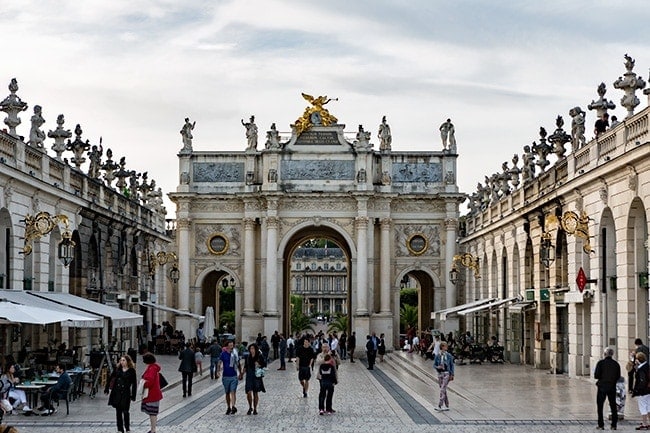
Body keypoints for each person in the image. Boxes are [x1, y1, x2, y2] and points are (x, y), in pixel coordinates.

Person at [104, 355, 137, 433]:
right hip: (117, 392)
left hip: (126, 393)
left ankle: (127, 428)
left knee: (125, 411)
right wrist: (107, 388)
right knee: (118, 411)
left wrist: (133, 395)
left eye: (124, 360)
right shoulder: (118, 370)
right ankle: (120, 429)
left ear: (127, 361)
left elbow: (134, 383)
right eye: (121, 360)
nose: (122, 362)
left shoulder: (131, 371)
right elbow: (110, 378)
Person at [594, 347, 620, 430]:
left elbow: (596, 375)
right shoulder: (616, 364)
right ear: (612, 354)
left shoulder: (600, 363)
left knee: (600, 406)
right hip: (612, 387)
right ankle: (614, 425)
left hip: (602, 387)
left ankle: (601, 425)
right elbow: (618, 376)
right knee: (613, 405)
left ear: (604, 354)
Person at [218, 340, 244, 414]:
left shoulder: (235, 354)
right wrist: (218, 371)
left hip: (233, 376)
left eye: (232, 345)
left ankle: (233, 406)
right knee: (227, 393)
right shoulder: (223, 354)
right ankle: (228, 407)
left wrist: (241, 373)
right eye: (229, 345)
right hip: (225, 376)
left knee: (233, 392)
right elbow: (219, 363)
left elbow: (238, 363)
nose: (231, 347)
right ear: (226, 346)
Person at [140, 353, 163, 433]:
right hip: (154, 393)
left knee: (152, 413)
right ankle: (153, 429)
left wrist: (143, 383)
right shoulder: (153, 367)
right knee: (152, 413)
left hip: (152, 394)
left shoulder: (152, 368)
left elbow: (150, 381)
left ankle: (153, 430)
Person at [244, 343, 266, 415]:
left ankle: (255, 408)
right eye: (250, 349)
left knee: (255, 392)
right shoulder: (248, 357)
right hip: (249, 376)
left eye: (253, 348)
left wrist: (259, 364)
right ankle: (250, 407)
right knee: (249, 392)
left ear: (256, 349)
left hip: (256, 376)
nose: (252, 350)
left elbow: (264, 365)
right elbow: (245, 366)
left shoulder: (259, 356)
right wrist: (241, 374)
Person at [433, 341, 455, 411]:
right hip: (440, 374)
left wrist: (452, 374)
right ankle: (447, 405)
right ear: (442, 347)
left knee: (443, 388)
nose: (446, 347)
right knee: (443, 389)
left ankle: (440, 405)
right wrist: (437, 367)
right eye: (445, 346)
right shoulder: (438, 355)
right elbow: (434, 365)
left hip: (446, 373)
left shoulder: (449, 356)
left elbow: (452, 365)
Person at [632, 352, 650, 430]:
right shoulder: (647, 366)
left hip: (643, 391)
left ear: (638, 360)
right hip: (648, 390)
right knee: (649, 406)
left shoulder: (641, 369)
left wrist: (637, 390)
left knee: (643, 407)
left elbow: (642, 381)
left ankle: (644, 423)